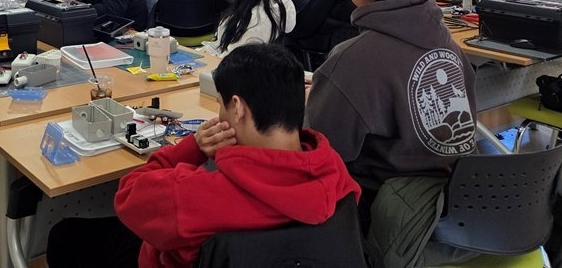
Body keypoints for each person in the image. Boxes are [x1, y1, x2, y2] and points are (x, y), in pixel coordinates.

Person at [46, 44, 361, 268]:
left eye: (220, 104)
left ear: (237, 108)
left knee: (65, 236)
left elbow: (128, 195)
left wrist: (192, 148)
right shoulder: (335, 172)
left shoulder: (196, 193)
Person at [306, 0, 477, 245]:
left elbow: (320, 154)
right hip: (460, 198)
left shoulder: (352, 59)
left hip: (386, 211)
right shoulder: (447, 42)